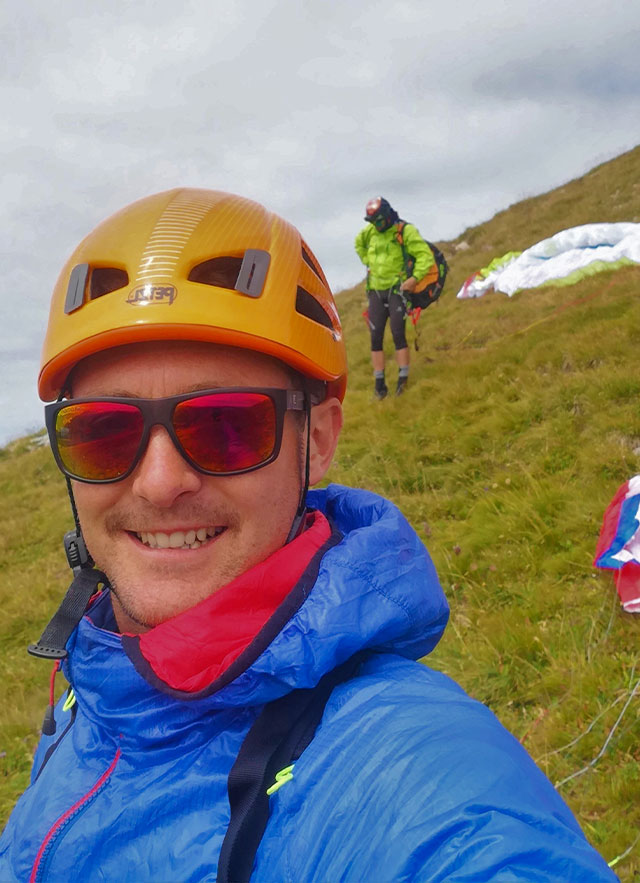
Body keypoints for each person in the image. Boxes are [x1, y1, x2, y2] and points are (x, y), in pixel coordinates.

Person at [0, 188, 616, 882]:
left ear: (316, 440)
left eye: (226, 424)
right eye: (104, 432)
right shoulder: (95, 680)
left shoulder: (409, 773)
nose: (158, 482)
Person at [355, 196, 435, 398]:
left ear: (388, 216)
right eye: (373, 222)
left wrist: (415, 278)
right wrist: (368, 261)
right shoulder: (370, 232)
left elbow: (425, 256)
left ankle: (403, 379)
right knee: (375, 337)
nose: (376, 225)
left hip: (397, 290)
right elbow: (359, 244)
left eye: (379, 221)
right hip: (375, 290)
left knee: (398, 334)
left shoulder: (405, 231)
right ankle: (379, 384)